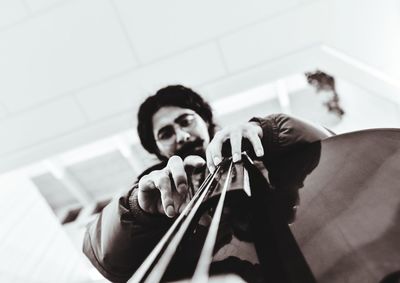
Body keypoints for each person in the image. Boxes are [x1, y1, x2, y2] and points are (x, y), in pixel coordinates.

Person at [83, 85, 331, 282]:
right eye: (165, 133)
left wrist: (269, 132)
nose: (181, 136)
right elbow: (106, 258)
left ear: (205, 120)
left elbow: (335, 146)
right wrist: (138, 210)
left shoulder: (258, 149)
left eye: (186, 121)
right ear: (157, 149)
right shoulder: (153, 190)